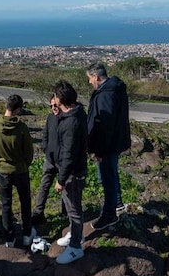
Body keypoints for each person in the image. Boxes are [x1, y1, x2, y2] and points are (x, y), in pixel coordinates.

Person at [0, 94, 34, 247]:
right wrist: (25, 164)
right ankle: (27, 235)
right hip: (20, 170)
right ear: (18, 109)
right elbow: (29, 152)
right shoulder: (21, 128)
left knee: (6, 205)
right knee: (25, 203)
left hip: (3, 170)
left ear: (6, 106)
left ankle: (9, 239)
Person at [86, 62, 130, 230]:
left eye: (90, 78)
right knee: (110, 174)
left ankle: (109, 214)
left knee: (107, 178)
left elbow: (104, 125)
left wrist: (98, 150)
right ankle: (116, 204)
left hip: (108, 145)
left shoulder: (105, 94)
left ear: (96, 77)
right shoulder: (116, 88)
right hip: (116, 141)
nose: (90, 82)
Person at [52, 80, 89, 264]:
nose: (54, 99)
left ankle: (75, 247)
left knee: (74, 209)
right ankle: (75, 234)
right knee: (73, 206)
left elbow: (68, 154)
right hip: (77, 169)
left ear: (61, 99)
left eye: (55, 96)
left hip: (72, 173)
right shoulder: (78, 113)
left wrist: (61, 179)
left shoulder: (71, 123)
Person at [32, 95, 61, 225]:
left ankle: (65, 212)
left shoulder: (67, 120)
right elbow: (45, 135)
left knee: (65, 188)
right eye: (51, 106)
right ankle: (38, 212)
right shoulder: (50, 118)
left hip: (62, 161)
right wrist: (46, 148)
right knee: (44, 186)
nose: (53, 108)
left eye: (55, 105)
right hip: (50, 159)